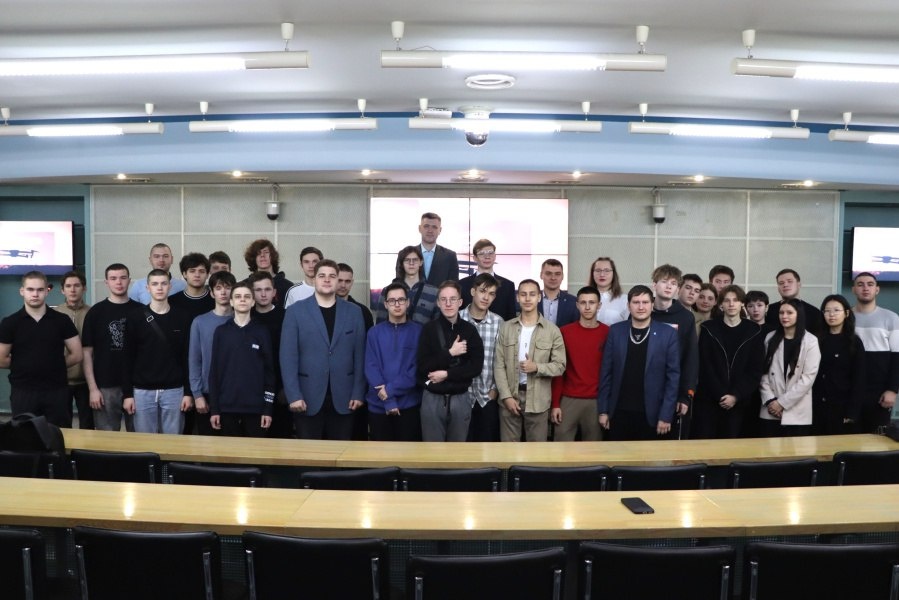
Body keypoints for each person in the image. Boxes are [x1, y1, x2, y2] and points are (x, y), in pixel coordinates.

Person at [280, 259, 367, 440]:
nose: (327, 280)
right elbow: (288, 357)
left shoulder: (354, 312)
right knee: (310, 454)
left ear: (337, 280)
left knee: (341, 453)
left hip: (345, 397)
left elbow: (360, 355)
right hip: (306, 397)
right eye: (322, 276)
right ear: (314, 279)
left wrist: (358, 392)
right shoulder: (295, 311)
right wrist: (293, 395)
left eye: (332, 276)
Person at [0, 270, 82, 427]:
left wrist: (53, 365)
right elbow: (1, 358)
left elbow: (77, 354)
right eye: (30, 289)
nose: (35, 294)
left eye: (39, 289)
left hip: (56, 390)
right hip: (23, 391)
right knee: (25, 436)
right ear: (22, 291)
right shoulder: (10, 323)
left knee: (59, 435)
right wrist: (24, 365)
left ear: (47, 291)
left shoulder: (62, 320)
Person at [597, 285, 680, 441]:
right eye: (636, 302)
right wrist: (603, 410)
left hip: (653, 415)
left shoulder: (667, 334)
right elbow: (606, 373)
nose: (641, 307)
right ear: (629, 306)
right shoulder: (616, 331)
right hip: (619, 412)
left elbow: (673, 378)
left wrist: (666, 414)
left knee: (649, 456)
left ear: (652, 305)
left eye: (645, 302)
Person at [121, 269, 193, 434]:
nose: (159, 288)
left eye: (163, 283)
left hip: (174, 390)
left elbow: (187, 357)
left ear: (170, 286)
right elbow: (127, 358)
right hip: (142, 391)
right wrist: (127, 394)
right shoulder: (135, 317)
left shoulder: (183, 317)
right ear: (148, 288)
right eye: (154, 284)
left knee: (173, 443)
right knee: (145, 444)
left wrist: (188, 392)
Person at [495, 279, 566, 442]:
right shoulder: (506, 328)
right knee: (509, 451)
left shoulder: (552, 330)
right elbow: (498, 365)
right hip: (510, 397)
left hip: (538, 399)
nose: (527, 299)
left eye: (532, 294)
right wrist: (506, 396)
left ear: (539, 297)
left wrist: (536, 367)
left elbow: (560, 366)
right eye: (523, 294)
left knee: (537, 452)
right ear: (517, 297)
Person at [416, 280, 484, 441]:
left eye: (453, 299)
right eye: (444, 299)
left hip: (460, 398)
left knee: (457, 451)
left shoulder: (469, 330)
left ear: (460, 302)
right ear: (438, 303)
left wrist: (447, 374)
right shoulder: (429, 329)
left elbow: (475, 367)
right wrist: (450, 353)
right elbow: (423, 366)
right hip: (432, 398)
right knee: (432, 451)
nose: (448, 303)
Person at [694, 285, 764, 439]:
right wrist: (720, 394)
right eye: (727, 301)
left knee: (733, 447)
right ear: (720, 305)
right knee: (706, 445)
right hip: (709, 400)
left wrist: (735, 395)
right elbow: (705, 366)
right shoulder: (708, 328)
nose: (731, 304)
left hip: (740, 401)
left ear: (742, 304)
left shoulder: (754, 330)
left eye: (736, 300)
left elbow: (755, 370)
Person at [208, 282, 275, 438]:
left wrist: (267, 409)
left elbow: (269, 373)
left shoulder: (262, 331)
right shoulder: (221, 332)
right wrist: (214, 409)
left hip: (256, 409)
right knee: (228, 453)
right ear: (231, 302)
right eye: (238, 297)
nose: (242, 300)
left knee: (256, 452)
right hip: (226, 408)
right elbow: (214, 373)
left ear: (253, 302)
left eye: (247, 297)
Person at [82, 263, 142, 432]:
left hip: (137, 384)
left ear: (129, 280)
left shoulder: (141, 311)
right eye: (113, 278)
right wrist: (93, 389)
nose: (119, 282)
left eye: (123, 278)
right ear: (106, 282)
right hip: (105, 385)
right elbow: (87, 353)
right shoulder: (95, 313)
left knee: (139, 437)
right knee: (106, 438)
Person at [364, 282, 423, 441]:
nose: (397, 304)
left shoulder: (419, 332)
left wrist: (390, 390)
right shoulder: (374, 333)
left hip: (409, 405)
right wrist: (388, 401)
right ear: (385, 304)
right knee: (380, 454)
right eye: (392, 300)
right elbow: (371, 367)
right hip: (378, 406)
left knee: (409, 454)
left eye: (401, 300)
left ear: (408, 303)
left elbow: (416, 370)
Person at [551, 286, 609, 441]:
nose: (587, 307)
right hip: (569, 398)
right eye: (583, 303)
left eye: (592, 302)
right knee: (561, 447)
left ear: (599, 305)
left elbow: (611, 372)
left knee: (593, 450)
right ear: (577, 305)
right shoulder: (564, 332)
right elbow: (558, 371)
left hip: (596, 400)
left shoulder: (608, 333)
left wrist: (607, 407)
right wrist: (555, 404)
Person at [759, 298, 821, 437]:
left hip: (797, 411)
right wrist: (770, 401)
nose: (784, 316)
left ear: (799, 315)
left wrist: (782, 403)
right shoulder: (770, 338)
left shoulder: (810, 341)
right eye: (781, 313)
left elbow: (808, 378)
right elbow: (763, 373)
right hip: (770, 409)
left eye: (789, 313)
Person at [650, 264, 697, 438]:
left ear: (677, 289)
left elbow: (690, 358)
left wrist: (685, 395)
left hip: (673, 390)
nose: (669, 286)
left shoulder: (685, 317)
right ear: (654, 285)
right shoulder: (643, 311)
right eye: (664, 281)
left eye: (673, 283)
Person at [187, 271, 237, 435]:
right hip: (207, 393)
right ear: (212, 293)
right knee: (207, 444)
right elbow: (194, 360)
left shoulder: (241, 320)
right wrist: (197, 394)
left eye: (228, 288)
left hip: (235, 393)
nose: (223, 292)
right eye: (218, 288)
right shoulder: (200, 322)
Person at [851, 272, 899, 433]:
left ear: (877, 289)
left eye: (870, 284)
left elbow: (897, 357)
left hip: (879, 392)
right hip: (850, 389)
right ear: (853, 290)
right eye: (860, 284)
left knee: (878, 438)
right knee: (849, 437)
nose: (865, 288)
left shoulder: (891, 318)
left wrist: (892, 390)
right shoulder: (845, 317)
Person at [459, 273, 504, 441]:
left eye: (491, 294)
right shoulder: (457, 318)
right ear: (473, 291)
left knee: (488, 448)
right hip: (461, 394)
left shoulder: (499, 322)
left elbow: (502, 359)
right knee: (462, 446)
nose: (486, 297)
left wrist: (495, 390)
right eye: (483, 291)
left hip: (488, 396)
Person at [813, 294, 866, 435]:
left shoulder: (854, 342)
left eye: (836, 310)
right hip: (817, 405)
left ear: (846, 313)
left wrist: (852, 412)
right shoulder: (815, 340)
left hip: (842, 406)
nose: (831, 314)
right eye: (827, 311)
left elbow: (859, 379)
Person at [248, 271, 291, 438]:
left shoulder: (287, 316)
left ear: (274, 292)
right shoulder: (246, 316)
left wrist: (288, 387)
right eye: (258, 290)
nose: (263, 294)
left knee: (281, 438)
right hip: (253, 388)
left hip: (281, 387)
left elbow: (293, 354)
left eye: (267, 289)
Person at [53, 270, 92, 429]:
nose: (73, 289)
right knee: (62, 425)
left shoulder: (93, 313)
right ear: (62, 290)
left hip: (87, 379)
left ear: (84, 288)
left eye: (77, 285)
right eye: (68, 286)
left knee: (88, 424)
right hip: (61, 379)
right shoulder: (54, 314)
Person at [375, 246, 438, 325]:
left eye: (415, 260)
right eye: (407, 260)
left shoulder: (434, 292)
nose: (411, 263)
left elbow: (437, 326)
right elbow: (380, 324)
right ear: (402, 263)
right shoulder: (387, 291)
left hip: (425, 333)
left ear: (421, 262)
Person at [459, 239, 517, 321]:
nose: (487, 257)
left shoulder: (508, 285)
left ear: (495, 256)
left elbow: (511, 319)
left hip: (500, 328)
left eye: (490, 253)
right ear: (474, 258)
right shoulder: (462, 284)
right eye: (482, 253)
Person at [765, 269, 824, 338]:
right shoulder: (768, 311)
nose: (785, 285)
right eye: (781, 283)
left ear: (799, 284)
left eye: (790, 281)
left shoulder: (814, 312)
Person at [243, 239, 293, 306]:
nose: (262, 255)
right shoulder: (245, 286)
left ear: (272, 256)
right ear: (253, 258)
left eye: (266, 252)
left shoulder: (288, 286)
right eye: (258, 253)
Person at [168, 252, 214, 321]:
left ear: (207, 275)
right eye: (192, 271)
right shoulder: (171, 302)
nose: (197, 275)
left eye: (201, 271)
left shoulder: (215, 300)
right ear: (184, 274)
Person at [417, 212, 459, 285]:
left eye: (434, 227)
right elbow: (400, 284)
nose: (430, 230)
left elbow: (453, 286)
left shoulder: (450, 256)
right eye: (426, 226)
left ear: (440, 230)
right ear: (420, 228)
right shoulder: (406, 254)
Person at [538, 258, 579, 327]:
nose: (553, 278)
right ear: (541, 275)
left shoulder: (573, 302)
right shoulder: (531, 300)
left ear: (562, 276)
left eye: (557, 274)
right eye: (548, 273)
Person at [589, 257, 629, 326]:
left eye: (607, 270)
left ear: (613, 274)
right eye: (598, 270)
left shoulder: (624, 300)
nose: (602, 274)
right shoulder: (583, 298)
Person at [336, 262, 374, 331]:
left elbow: (369, 336)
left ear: (352, 282)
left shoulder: (363, 311)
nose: (343, 285)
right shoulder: (323, 308)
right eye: (339, 280)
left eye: (347, 281)